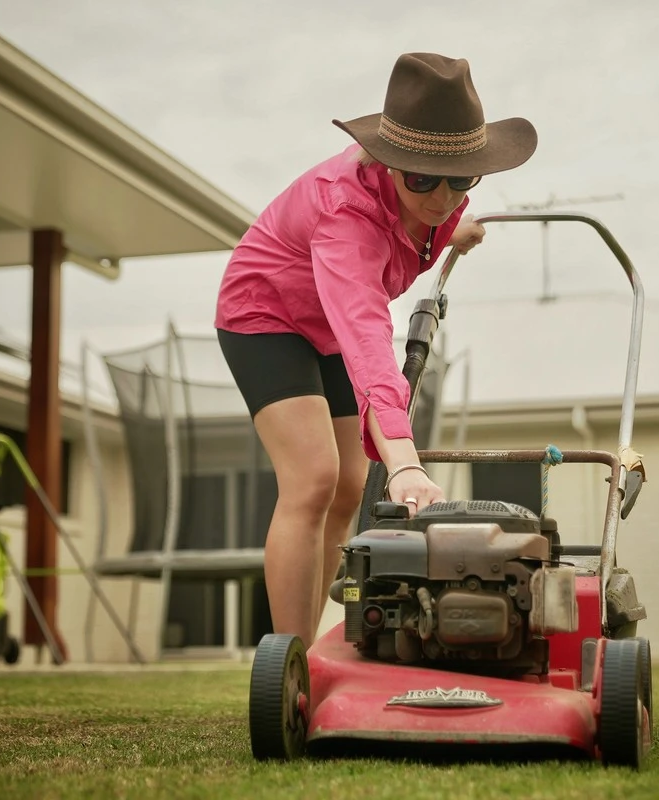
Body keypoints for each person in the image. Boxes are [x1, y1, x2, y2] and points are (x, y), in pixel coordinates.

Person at [215, 52, 538, 647]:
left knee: (348, 487)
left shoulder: (438, 199)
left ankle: (307, 652)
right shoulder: (346, 213)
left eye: (461, 178)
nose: (442, 197)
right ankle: (287, 670)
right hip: (265, 314)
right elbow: (365, 335)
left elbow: (422, 228)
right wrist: (408, 464)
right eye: (421, 179)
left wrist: (449, 239)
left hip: (329, 325)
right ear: (390, 163)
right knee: (313, 479)